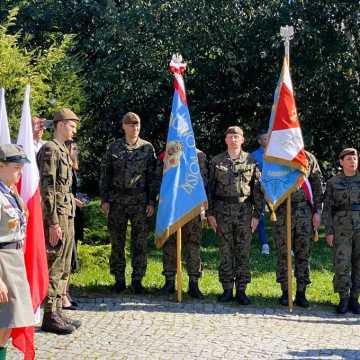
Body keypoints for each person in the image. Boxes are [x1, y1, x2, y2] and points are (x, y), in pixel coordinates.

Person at [100, 112, 157, 294]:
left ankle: (138, 279)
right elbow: (105, 175)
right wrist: (105, 199)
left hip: (140, 201)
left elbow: (152, 177)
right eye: (131, 124)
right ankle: (119, 279)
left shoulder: (147, 148)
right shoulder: (114, 148)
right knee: (117, 242)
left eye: (137, 124)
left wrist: (151, 201)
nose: (135, 128)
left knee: (139, 242)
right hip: (117, 201)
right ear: (123, 126)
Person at [207, 126, 263, 304]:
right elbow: (209, 189)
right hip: (222, 211)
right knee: (225, 251)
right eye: (230, 136)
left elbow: (258, 190)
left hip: (244, 211)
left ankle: (241, 290)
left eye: (236, 136)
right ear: (225, 140)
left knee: (243, 252)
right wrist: (210, 214)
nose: (233, 139)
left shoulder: (251, 161)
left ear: (242, 140)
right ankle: (226, 289)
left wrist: (257, 214)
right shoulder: (216, 161)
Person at [37, 108, 81, 334]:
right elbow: (47, 189)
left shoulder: (63, 150)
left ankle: (57, 310)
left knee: (64, 264)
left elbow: (63, 188)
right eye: (72, 125)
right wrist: (53, 222)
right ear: (61, 124)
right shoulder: (50, 150)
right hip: (57, 216)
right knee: (55, 264)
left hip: (68, 212)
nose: (74, 129)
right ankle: (49, 314)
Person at [273, 151, 323, 308]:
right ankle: (286, 292)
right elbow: (268, 180)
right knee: (284, 253)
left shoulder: (308, 158)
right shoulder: (276, 154)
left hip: (304, 211)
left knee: (303, 253)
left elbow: (317, 184)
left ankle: (301, 292)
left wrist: (317, 211)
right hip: (283, 211)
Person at [0, 144, 34, 359]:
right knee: (3, 323)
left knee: (8, 324)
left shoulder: (10, 192)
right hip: (2, 263)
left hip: (15, 261)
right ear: (1, 166)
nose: (20, 171)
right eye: (16, 167)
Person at [160, 149, 208, 299]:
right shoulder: (169, 151)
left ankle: (193, 283)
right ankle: (169, 281)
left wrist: (202, 206)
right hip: (171, 205)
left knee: (193, 244)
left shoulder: (199, 155)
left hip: (192, 205)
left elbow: (204, 181)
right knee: (169, 243)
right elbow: (161, 178)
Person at [323, 148, 360, 314]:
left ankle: (355, 299)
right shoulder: (333, 182)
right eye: (349, 159)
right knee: (342, 265)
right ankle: (343, 299)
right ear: (341, 162)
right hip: (341, 229)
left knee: (358, 265)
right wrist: (329, 231)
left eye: (355, 158)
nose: (353, 161)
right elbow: (327, 209)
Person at [61, 140, 85, 310]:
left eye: (77, 148)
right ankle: (63, 293)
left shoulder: (74, 168)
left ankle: (66, 291)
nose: (76, 151)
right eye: (73, 148)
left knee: (71, 253)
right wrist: (74, 200)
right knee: (66, 256)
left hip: (75, 214)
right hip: (67, 212)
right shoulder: (64, 167)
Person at [251, 129, 270, 255]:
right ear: (259, 141)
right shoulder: (253, 155)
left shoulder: (277, 154)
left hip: (276, 188)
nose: (267, 141)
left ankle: (286, 244)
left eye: (268, 138)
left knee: (281, 216)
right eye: (264, 139)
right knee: (260, 215)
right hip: (260, 190)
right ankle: (265, 243)